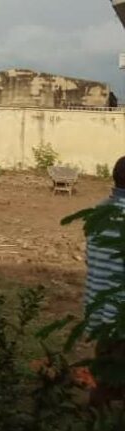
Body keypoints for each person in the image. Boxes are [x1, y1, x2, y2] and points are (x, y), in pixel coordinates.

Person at [85, 155, 125, 403]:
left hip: (101, 314)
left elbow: (92, 259)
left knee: (105, 375)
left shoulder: (99, 211)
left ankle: (96, 428)